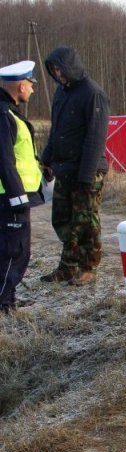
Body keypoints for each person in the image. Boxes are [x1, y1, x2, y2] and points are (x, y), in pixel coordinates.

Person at [39, 47, 110, 286]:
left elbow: (95, 138)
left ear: (71, 66)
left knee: (86, 221)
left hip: (87, 171)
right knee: (62, 220)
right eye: (54, 70)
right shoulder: (61, 93)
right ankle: (67, 267)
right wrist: (46, 159)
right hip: (64, 169)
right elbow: (56, 131)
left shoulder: (93, 94)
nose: (58, 74)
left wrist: (86, 176)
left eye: (60, 68)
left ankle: (88, 267)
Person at [0, 61, 45, 314]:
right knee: (13, 253)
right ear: (21, 85)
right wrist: (17, 196)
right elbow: (4, 159)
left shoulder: (9, 112)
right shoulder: (3, 115)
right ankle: (3, 305)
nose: (32, 89)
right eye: (31, 84)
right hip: (9, 197)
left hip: (10, 194)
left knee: (10, 250)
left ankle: (7, 301)